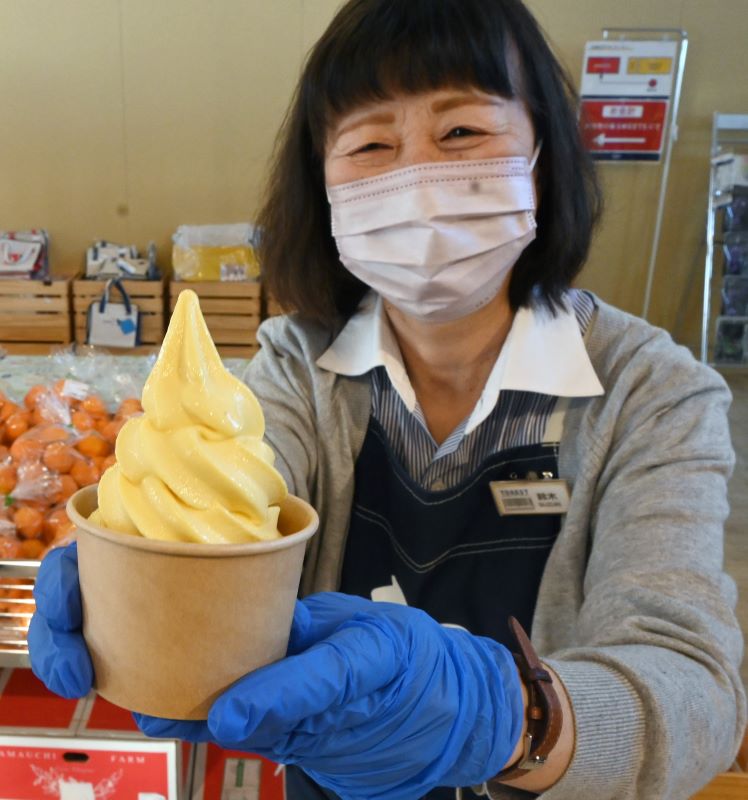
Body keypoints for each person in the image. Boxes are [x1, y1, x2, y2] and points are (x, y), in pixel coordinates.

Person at [28, 1, 746, 798]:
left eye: (462, 131)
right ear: (323, 183)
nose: (417, 179)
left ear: (543, 155)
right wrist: (152, 572)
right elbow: (237, 502)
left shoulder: (652, 393)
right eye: (372, 144)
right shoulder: (298, 368)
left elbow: (697, 696)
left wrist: (505, 717)